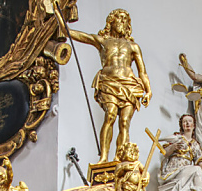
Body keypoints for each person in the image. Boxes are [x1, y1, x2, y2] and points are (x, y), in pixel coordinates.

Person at [63, 9, 151, 163]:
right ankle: (104, 157)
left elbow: (142, 72)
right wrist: (58, 15)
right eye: (120, 19)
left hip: (129, 85)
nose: (123, 22)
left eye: (125, 20)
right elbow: (72, 33)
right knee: (110, 115)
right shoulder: (103, 41)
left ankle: (119, 157)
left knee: (124, 122)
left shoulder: (133, 46)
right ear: (112, 21)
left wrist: (148, 91)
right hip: (109, 82)